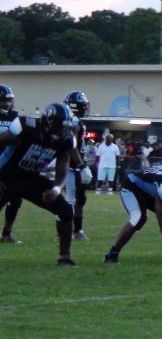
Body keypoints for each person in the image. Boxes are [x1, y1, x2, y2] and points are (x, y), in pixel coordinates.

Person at [0, 103, 77, 266]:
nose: (64, 130)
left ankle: (64, 257)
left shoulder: (66, 140)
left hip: (31, 179)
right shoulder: (27, 127)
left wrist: (56, 188)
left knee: (65, 210)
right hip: (6, 176)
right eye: (60, 126)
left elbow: (63, 164)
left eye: (66, 126)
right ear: (48, 123)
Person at [63, 91, 93, 241]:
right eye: (83, 105)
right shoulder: (73, 121)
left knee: (80, 199)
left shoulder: (75, 120)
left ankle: (77, 231)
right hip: (72, 166)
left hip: (77, 164)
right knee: (70, 199)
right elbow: (71, 146)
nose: (85, 108)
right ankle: (63, 232)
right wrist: (81, 165)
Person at [0, 85, 24, 244]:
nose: (7, 103)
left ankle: (6, 234)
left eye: (9, 100)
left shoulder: (16, 117)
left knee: (16, 199)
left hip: (11, 164)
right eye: (3, 100)